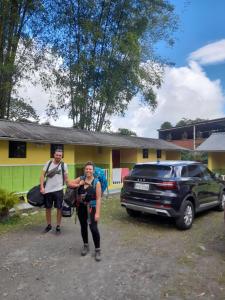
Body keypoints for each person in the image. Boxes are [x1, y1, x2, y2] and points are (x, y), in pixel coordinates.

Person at [68, 161, 102, 261]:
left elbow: (99, 198)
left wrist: (97, 213)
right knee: (83, 226)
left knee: (94, 228)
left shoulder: (97, 182)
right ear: (84, 170)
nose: (88, 171)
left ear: (93, 171)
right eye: (87, 169)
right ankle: (86, 245)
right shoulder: (81, 178)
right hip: (81, 207)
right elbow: (69, 184)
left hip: (92, 208)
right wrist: (79, 184)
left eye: (90, 169)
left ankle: (97, 250)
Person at [40, 148, 68, 234]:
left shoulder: (64, 165)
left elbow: (66, 179)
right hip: (48, 190)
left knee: (59, 208)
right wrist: (42, 187)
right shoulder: (48, 163)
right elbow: (42, 176)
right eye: (57, 155)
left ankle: (58, 226)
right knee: (48, 208)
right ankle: (49, 225)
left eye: (60, 155)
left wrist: (71, 186)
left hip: (59, 190)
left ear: (61, 156)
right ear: (54, 155)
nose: (58, 157)